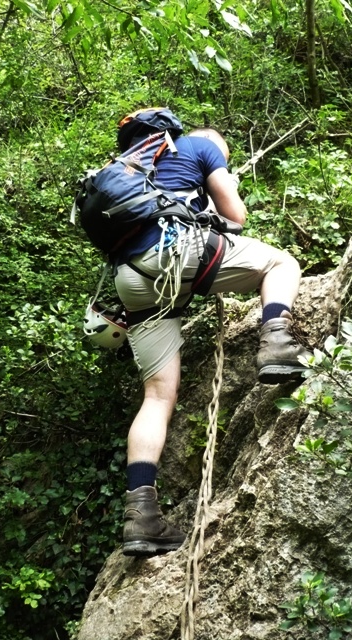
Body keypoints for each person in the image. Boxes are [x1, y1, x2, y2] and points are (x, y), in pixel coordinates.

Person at [112, 119, 311, 557]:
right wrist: (223, 181)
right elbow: (236, 217)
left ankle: (140, 516)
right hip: (181, 254)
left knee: (157, 398)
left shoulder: (128, 172)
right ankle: (276, 339)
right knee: (281, 265)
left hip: (132, 279)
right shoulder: (201, 147)